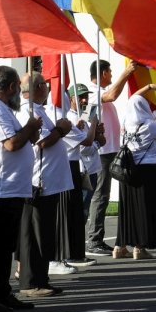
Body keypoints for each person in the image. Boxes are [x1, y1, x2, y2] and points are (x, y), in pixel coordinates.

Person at [0, 66, 41, 312]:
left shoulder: (4, 109)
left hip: (12, 187)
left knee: (5, 245)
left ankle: (1, 292)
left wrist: (30, 130)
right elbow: (12, 143)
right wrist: (30, 127)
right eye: (18, 87)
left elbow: (19, 139)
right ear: (12, 87)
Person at [17, 73, 77, 296]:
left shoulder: (39, 109)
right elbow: (40, 142)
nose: (49, 87)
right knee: (35, 233)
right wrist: (61, 129)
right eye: (45, 84)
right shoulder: (27, 110)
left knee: (44, 232)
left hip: (50, 181)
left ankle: (41, 278)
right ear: (37, 88)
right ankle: (31, 281)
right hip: (38, 180)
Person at [114, 85, 156, 260]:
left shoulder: (126, 122)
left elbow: (133, 100)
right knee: (145, 208)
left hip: (128, 168)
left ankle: (120, 247)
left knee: (127, 209)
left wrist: (147, 87)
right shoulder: (149, 125)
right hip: (147, 168)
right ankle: (139, 247)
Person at [85, 59, 134, 257]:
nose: (112, 75)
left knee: (104, 196)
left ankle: (98, 238)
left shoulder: (100, 92)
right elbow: (112, 95)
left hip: (110, 150)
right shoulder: (92, 91)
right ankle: (94, 239)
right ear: (103, 72)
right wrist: (126, 73)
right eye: (110, 72)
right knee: (100, 196)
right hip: (102, 153)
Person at [63, 84, 100, 266]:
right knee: (77, 212)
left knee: (80, 212)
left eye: (85, 96)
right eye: (80, 97)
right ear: (71, 99)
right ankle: (72, 253)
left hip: (83, 168)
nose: (84, 100)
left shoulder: (81, 117)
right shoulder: (70, 117)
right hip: (75, 167)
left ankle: (77, 250)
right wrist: (94, 128)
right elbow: (87, 144)